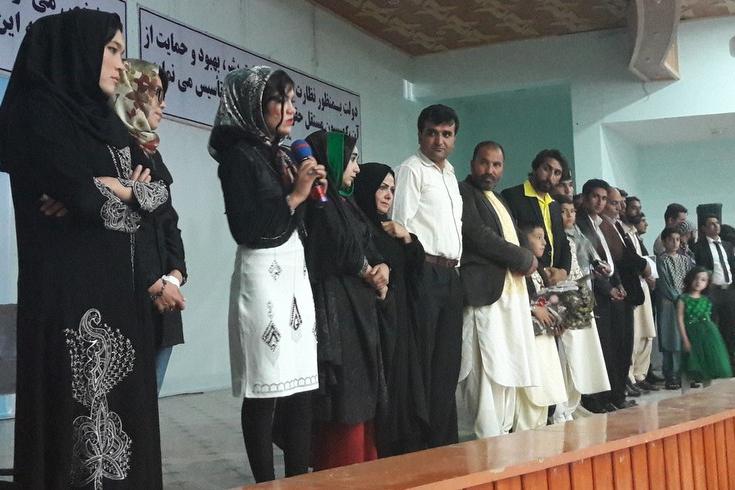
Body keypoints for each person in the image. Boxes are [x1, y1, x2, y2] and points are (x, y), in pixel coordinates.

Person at [0, 9, 165, 488]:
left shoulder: (108, 122)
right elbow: (79, 193)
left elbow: (158, 194)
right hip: (68, 306)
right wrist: (114, 194)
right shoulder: (38, 115)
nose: (120, 64)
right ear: (77, 52)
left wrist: (112, 190)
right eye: (111, 50)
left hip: (122, 303)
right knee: (77, 439)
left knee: (126, 431)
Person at [209, 66, 325, 482]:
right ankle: (266, 483)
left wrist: (308, 194)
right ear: (255, 105)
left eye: (293, 100)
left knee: (301, 385)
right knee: (265, 387)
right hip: (262, 277)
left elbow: (294, 221)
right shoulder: (238, 157)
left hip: (294, 271)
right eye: (281, 100)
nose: (291, 109)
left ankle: (299, 478)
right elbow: (248, 229)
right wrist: (295, 196)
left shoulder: (280, 154)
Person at [304, 130, 389, 470]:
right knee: (345, 401)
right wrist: (367, 271)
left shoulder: (346, 204)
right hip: (337, 311)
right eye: (351, 160)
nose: (356, 169)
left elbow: (368, 246)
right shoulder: (319, 203)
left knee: (364, 397)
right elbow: (339, 247)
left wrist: (382, 269)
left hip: (359, 312)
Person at [456, 141, 540, 438]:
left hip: (510, 297)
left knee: (507, 365)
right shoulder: (463, 192)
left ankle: (502, 433)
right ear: (472, 163)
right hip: (484, 296)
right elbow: (478, 235)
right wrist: (524, 258)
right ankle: (484, 438)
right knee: (485, 368)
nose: (490, 170)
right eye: (484, 163)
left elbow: (514, 235)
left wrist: (530, 258)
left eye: (496, 165)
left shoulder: (498, 199)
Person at [391, 104, 463, 447]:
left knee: (447, 362)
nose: (439, 141)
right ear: (420, 134)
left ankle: (443, 441)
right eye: (432, 133)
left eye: (447, 134)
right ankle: (420, 442)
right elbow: (398, 226)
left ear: (454, 138)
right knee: (424, 362)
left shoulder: (450, 174)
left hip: (451, 275)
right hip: (425, 273)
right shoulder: (411, 170)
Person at [113, 59, 187, 392]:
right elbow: (125, 227)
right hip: (132, 298)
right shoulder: (114, 151)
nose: (163, 104)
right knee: (129, 405)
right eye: (156, 93)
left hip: (165, 299)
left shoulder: (152, 153)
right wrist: (154, 284)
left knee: (149, 407)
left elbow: (169, 223)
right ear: (134, 94)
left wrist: (175, 276)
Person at [353, 162, 429, 456]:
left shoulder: (389, 228)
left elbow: (415, 267)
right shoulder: (361, 228)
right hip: (378, 324)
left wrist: (407, 237)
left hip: (401, 321)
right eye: (382, 188)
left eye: (392, 189)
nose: (388, 195)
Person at [576, 179, 629, 412]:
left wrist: (618, 283)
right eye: (595, 197)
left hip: (611, 290)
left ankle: (613, 396)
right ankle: (597, 401)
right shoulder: (579, 223)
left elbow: (609, 259)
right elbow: (587, 263)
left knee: (615, 347)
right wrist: (608, 288)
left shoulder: (600, 224)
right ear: (585, 198)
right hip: (594, 293)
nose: (600, 202)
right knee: (600, 349)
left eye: (604, 198)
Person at [556, 197, 610, 422]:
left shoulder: (578, 233)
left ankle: (575, 404)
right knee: (565, 353)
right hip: (563, 297)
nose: (569, 215)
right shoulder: (555, 237)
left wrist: (599, 265)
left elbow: (591, 255)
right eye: (564, 211)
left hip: (581, 295)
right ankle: (562, 407)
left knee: (582, 352)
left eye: (572, 211)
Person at [515, 224, 567, 431]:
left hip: (546, 338)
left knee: (548, 382)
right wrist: (534, 307)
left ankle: (545, 421)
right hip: (530, 339)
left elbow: (548, 299)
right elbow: (515, 297)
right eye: (538, 237)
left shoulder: (541, 269)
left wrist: (557, 319)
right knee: (534, 389)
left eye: (544, 237)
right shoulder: (518, 268)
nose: (544, 242)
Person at [501, 149, 572, 284]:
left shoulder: (555, 205)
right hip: (527, 278)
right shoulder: (513, 196)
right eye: (546, 169)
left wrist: (563, 271)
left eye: (557, 173)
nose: (550, 177)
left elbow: (563, 242)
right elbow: (512, 240)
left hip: (555, 283)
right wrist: (541, 272)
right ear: (535, 168)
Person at [692, 204, 735, 368]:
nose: (715, 226)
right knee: (711, 329)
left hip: (728, 290)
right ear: (703, 228)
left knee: (729, 328)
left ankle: (729, 363)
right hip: (711, 292)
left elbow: (731, 266)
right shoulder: (699, 247)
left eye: (717, 223)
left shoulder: (727, 245)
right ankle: (712, 363)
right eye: (711, 224)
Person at [677, 267, 733, 383]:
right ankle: (686, 391)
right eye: (696, 278)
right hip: (692, 333)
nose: (698, 282)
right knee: (690, 363)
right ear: (690, 279)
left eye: (703, 280)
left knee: (708, 364)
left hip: (708, 334)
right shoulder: (683, 299)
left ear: (707, 283)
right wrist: (685, 339)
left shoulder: (707, 299)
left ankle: (707, 390)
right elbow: (680, 319)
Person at [656, 228, 693, 389]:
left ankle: (686, 374)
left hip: (685, 302)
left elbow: (691, 279)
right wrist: (678, 298)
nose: (675, 243)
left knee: (685, 338)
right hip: (669, 304)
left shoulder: (685, 259)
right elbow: (663, 283)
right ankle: (671, 375)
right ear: (664, 241)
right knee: (671, 338)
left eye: (678, 239)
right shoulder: (661, 260)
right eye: (671, 239)